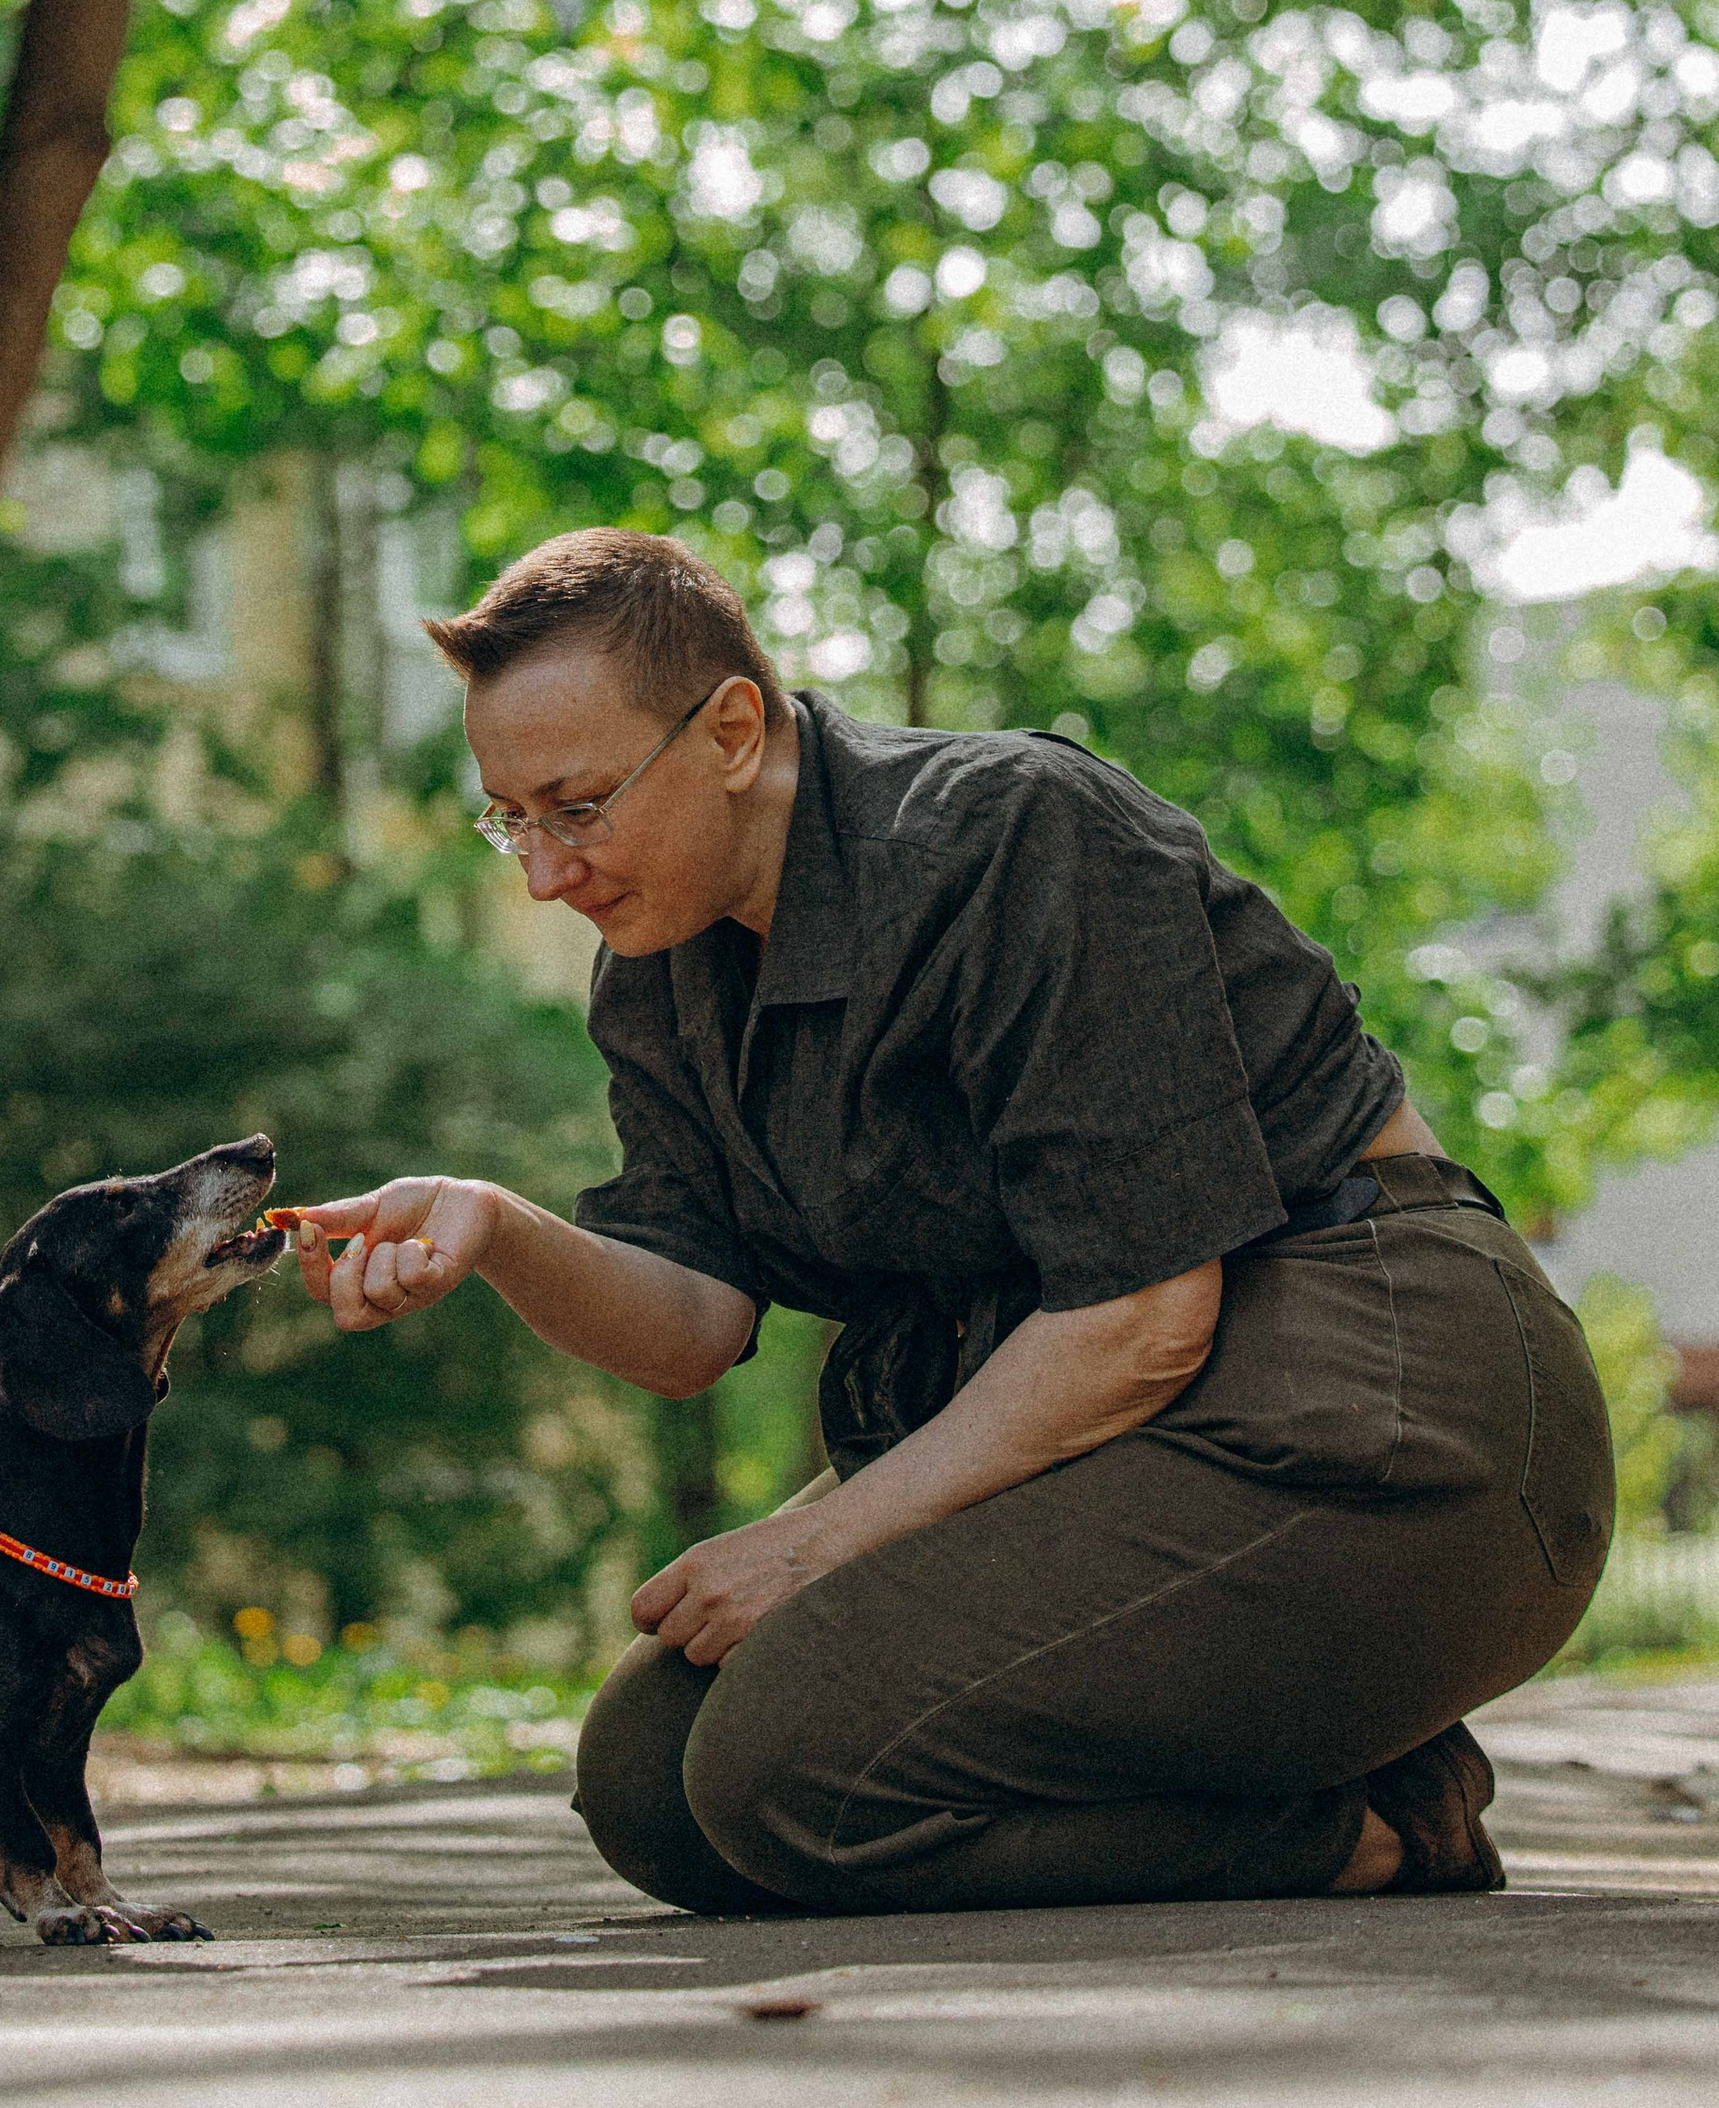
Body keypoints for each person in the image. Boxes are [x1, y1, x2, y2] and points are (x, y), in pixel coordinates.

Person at [289, 528, 1614, 1916]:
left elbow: (1147, 1320)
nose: (544, 873)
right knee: (652, 1787)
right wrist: (497, 1230)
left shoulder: (1016, 835)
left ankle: (1382, 1823)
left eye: (575, 806)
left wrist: (812, 1541)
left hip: (1392, 1406)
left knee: (788, 1764)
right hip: (1113, 1408)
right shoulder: (661, 966)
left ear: (732, 729)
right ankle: (1281, 1744)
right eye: (510, 817)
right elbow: (690, 1322)